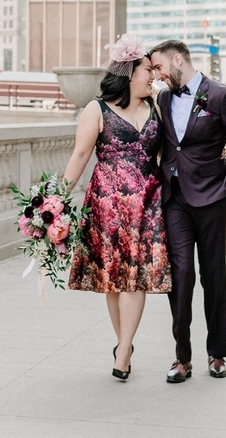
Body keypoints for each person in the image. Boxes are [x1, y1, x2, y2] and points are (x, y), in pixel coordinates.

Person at [63, 34, 171, 382]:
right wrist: (56, 198)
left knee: (135, 278)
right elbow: (81, 155)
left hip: (149, 203)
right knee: (113, 279)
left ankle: (123, 350)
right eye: (146, 70)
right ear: (128, 73)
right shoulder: (97, 110)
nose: (152, 76)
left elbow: (171, 152)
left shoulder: (157, 106)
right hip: (107, 204)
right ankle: (123, 342)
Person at [150, 39, 226, 383]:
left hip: (213, 199)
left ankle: (217, 354)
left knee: (213, 276)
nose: (157, 75)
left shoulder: (221, 96)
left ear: (177, 59)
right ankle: (182, 357)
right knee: (180, 276)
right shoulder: (164, 98)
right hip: (175, 200)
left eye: (159, 67)